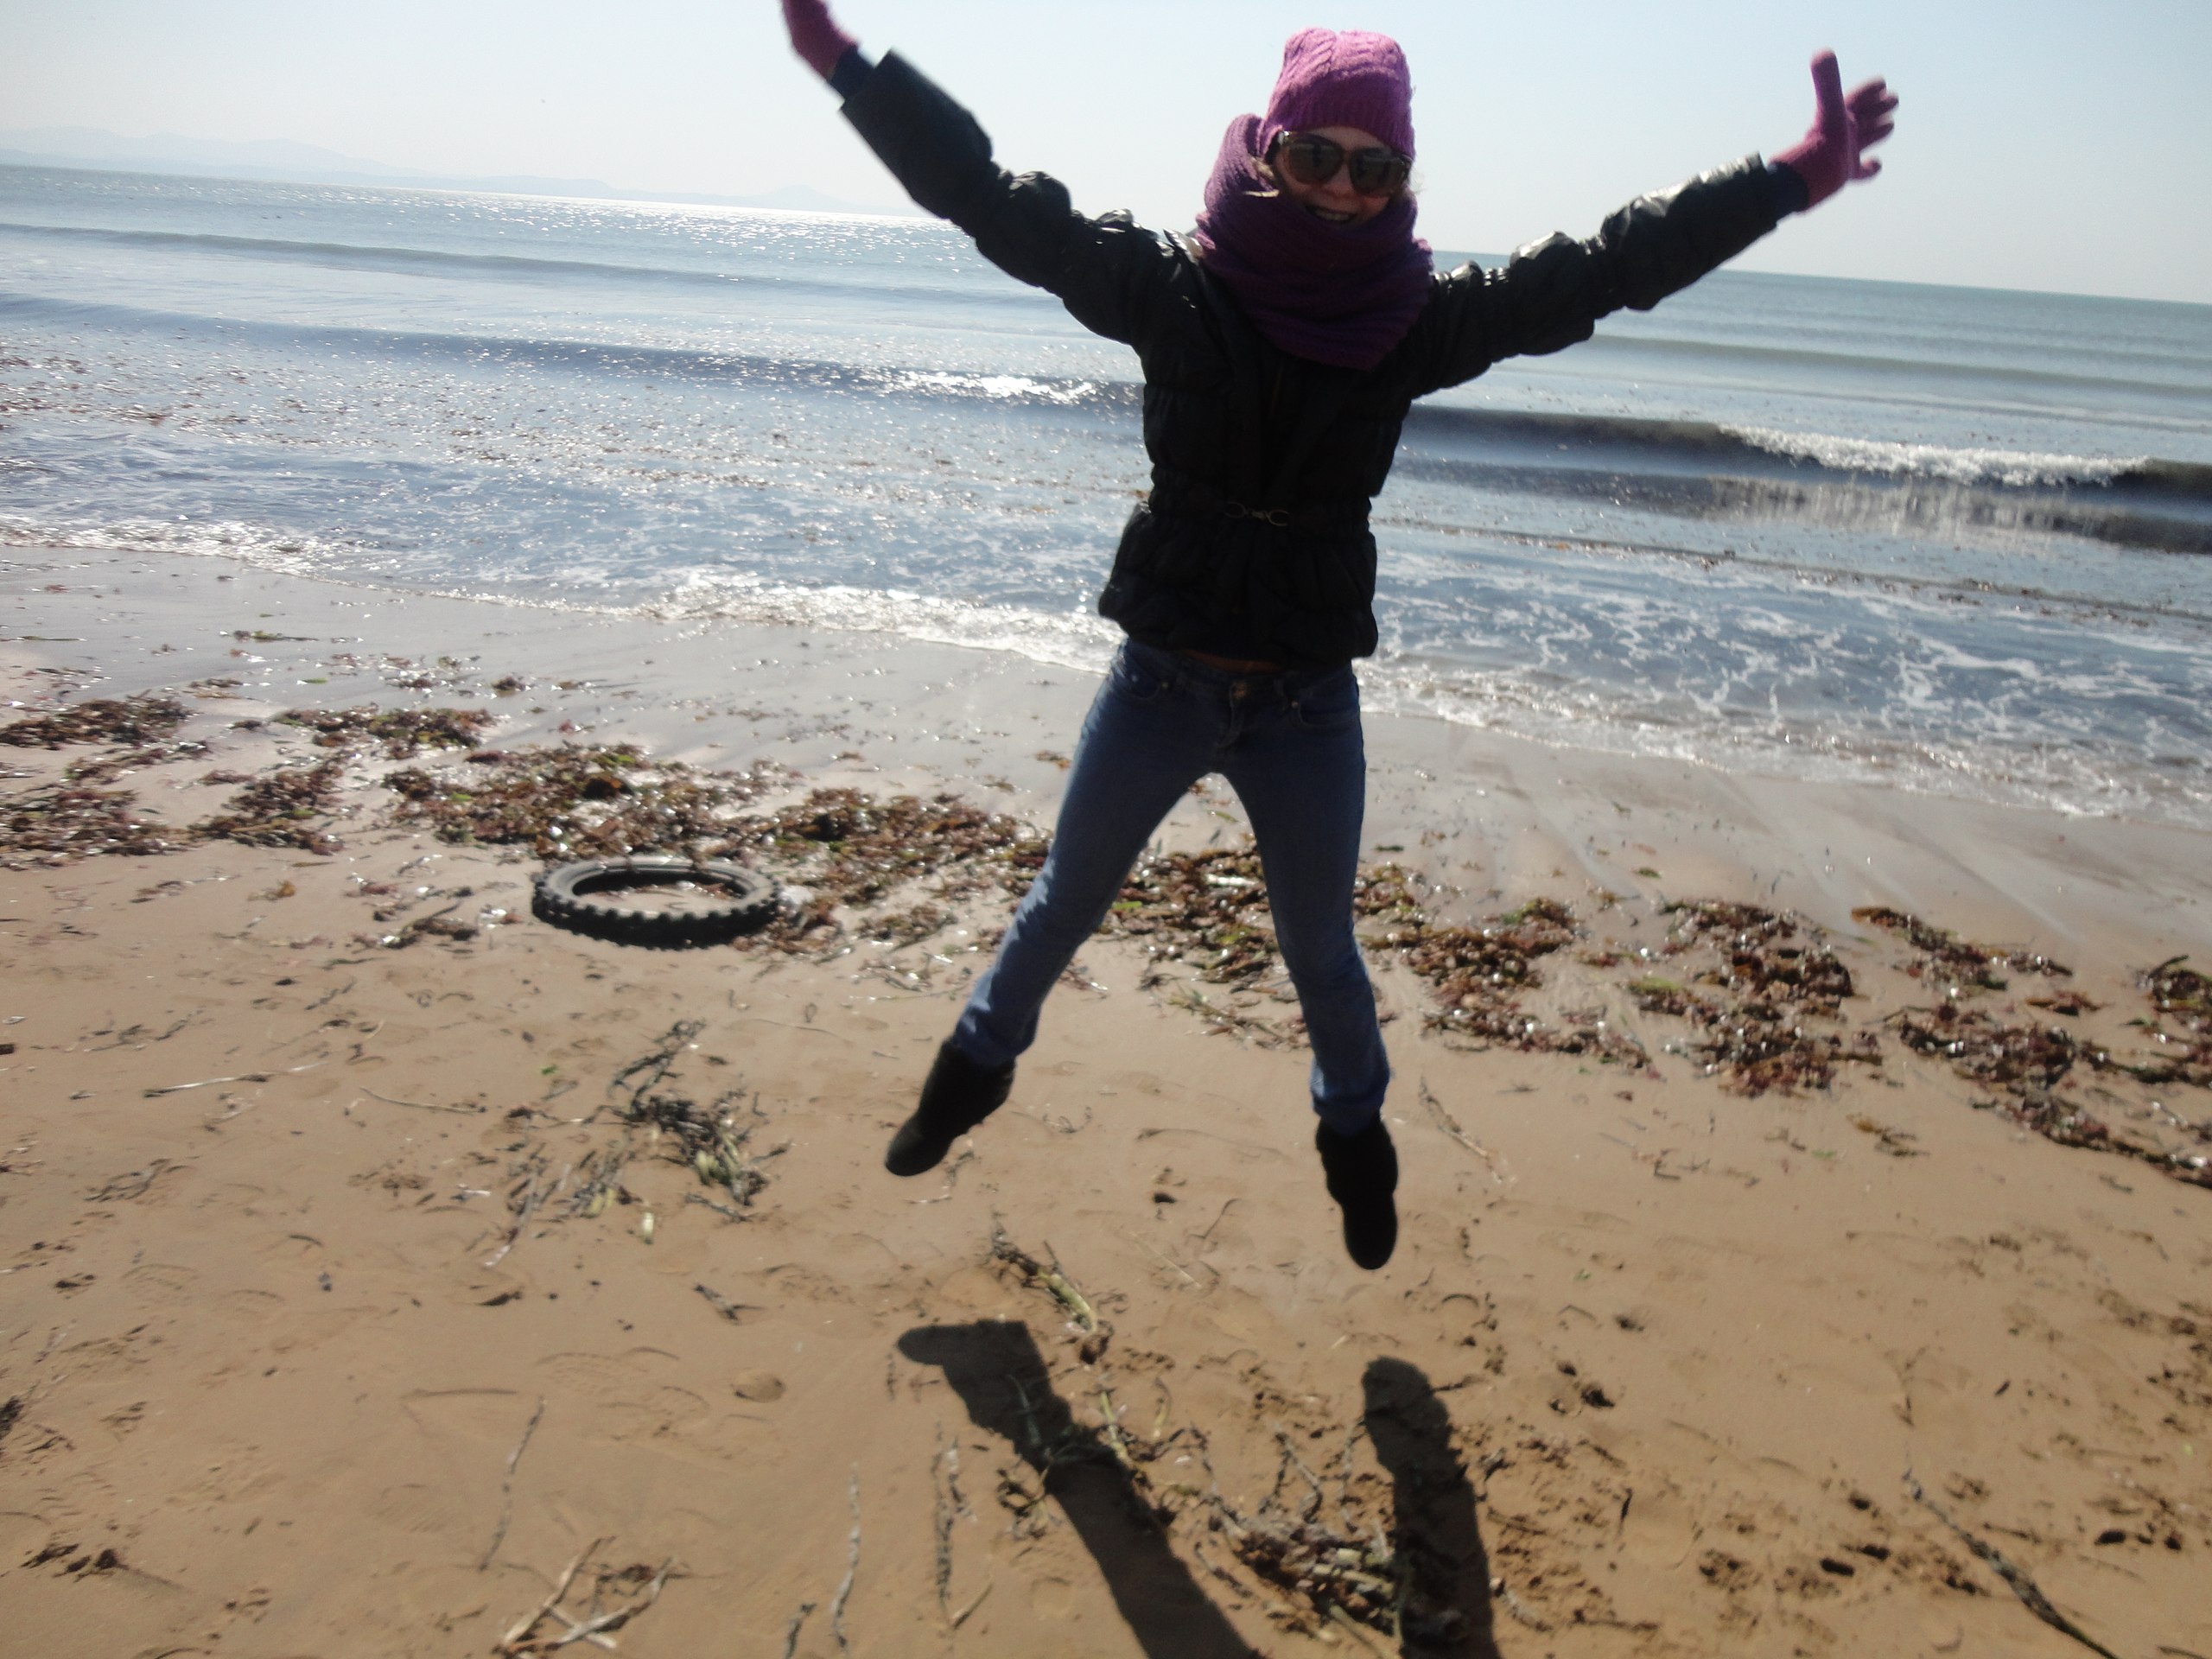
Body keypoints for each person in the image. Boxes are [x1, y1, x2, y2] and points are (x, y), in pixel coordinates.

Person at [779, 1, 1895, 1268]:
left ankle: (1357, 1146)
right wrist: (848, 67)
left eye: (1377, 169)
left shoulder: (1410, 322)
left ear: (1401, 182)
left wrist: (1786, 179)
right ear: (1271, 149)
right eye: (1318, 156)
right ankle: (964, 1083)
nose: (1344, 191)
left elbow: (1606, 267)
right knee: (1063, 903)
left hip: (1305, 706)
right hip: (1161, 685)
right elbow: (986, 197)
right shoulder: (1173, 288)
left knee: (1321, 953)